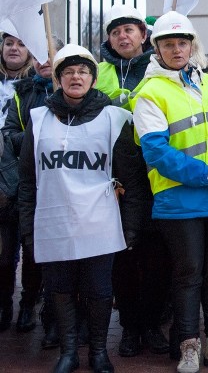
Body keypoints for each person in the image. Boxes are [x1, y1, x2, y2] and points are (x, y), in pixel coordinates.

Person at [17, 44, 147, 373]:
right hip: (54, 220)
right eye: (69, 72)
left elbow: (130, 178)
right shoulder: (38, 119)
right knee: (59, 288)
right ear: (59, 79)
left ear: (93, 78)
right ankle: (69, 351)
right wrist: (28, 228)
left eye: (83, 71)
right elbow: (27, 180)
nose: (76, 76)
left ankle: (99, 352)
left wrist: (130, 226)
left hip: (100, 221)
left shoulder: (115, 119)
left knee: (100, 289)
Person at [132, 11, 208, 373]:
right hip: (181, 201)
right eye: (169, 43)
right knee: (188, 274)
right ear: (158, 49)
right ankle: (188, 346)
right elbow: (157, 154)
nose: (177, 49)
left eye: (183, 42)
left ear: (192, 45)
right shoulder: (149, 93)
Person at [96, 3, 171, 357]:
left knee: (157, 257)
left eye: (129, 29)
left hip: (155, 175)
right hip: (115, 182)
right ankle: (129, 327)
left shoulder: (161, 70)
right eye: (115, 31)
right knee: (123, 259)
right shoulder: (97, 72)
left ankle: (154, 324)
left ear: (144, 34)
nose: (122, 36)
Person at [1, 39, 63, 349]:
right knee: (14, 246)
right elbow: (11, 132)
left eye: (48, 54)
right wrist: (35, 137)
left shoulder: (66, 88)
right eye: (39, 56)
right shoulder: (22, 92)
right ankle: (7, 305)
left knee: (40, 254)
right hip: (20, 183)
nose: (43, 61)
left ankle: (30, 305)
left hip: (55, 186)